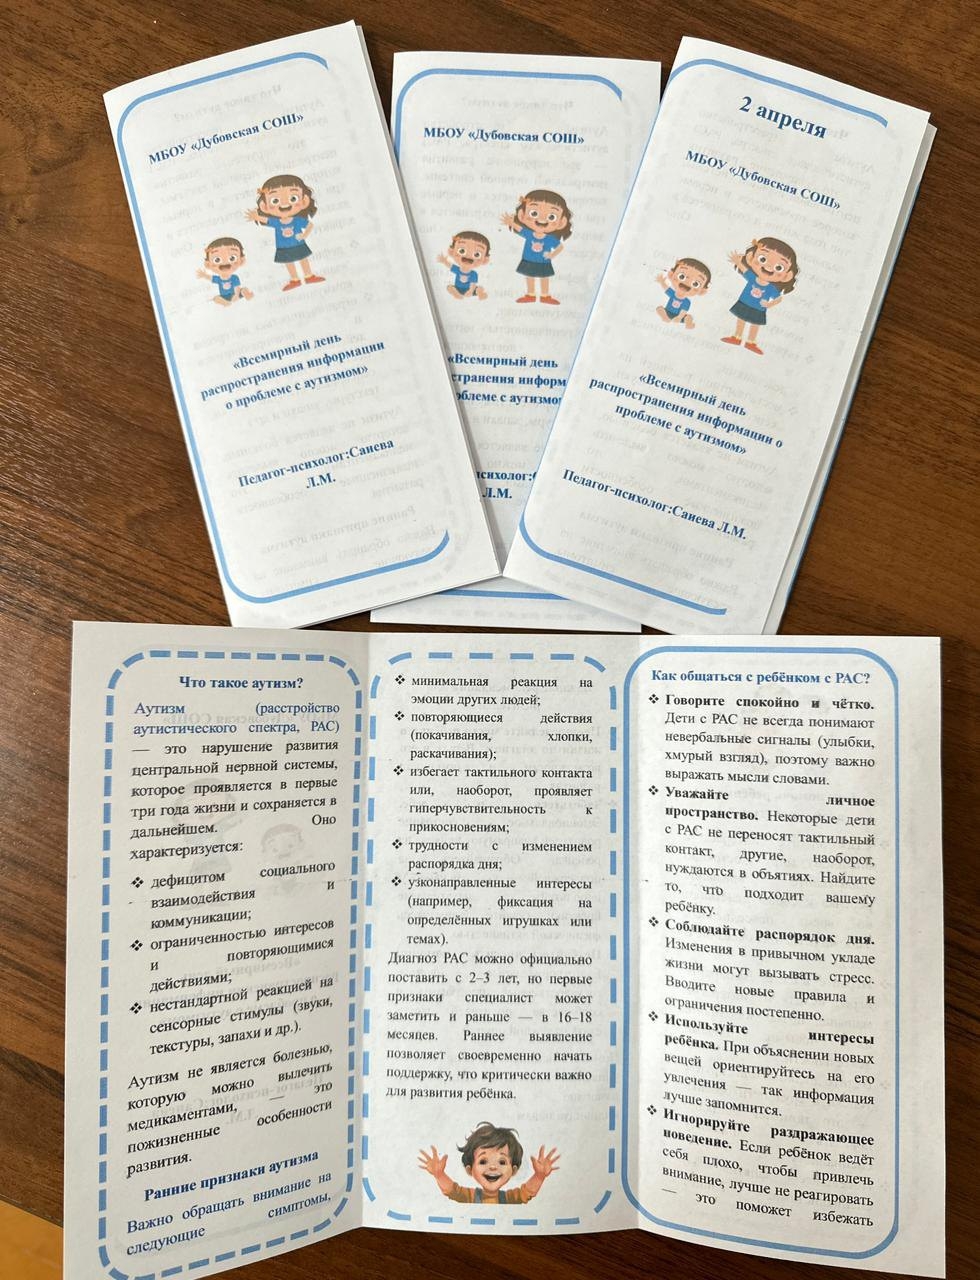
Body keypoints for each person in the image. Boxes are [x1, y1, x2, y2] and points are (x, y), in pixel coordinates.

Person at [419, 1121, 559, 1204]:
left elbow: (526, 1192)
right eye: (483, 1161)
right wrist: (439, 1175)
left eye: (502, 1162)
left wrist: (539, 1176)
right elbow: (453, 1191)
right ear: (469, 1169)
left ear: (514, 1170)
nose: (492, 1167)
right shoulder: (470, 1196)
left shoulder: (509, 1198)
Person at [246, 174, 325, 291]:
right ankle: (294, 280)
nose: (284, 205)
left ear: (304, 201)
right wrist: (256, 217)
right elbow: (266, 220)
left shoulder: (297, 220)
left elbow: (310, 225)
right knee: (289, 262)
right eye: (275, 200)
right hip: (283, 247)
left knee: (303, 259)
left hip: (298, 244)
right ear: (264, 206)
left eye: (293, 198)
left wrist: (304, 235)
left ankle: (309, 276)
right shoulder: (276, 222)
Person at [721, 236, 799, 354]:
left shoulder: (771, 288)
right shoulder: (752, 278)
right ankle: (737, 337)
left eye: (779, 267)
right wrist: (737, 262)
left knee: (755, 324)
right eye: (763, 259)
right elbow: (744, 270)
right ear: (750, 258)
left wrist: (769, 304)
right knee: (741, 320)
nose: (768, 267)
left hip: (759, 308)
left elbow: (779, 298)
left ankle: (751, 342)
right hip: (743, 303)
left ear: (787, 276)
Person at [500, 189, 573, 304]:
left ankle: (545, 296)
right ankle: (531, 295)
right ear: (522, 215)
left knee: (544, 278)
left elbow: (560, 247)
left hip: (543, 262)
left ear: (561, 222)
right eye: (534, 213)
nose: (542, 220)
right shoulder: (529, 234)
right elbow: (520, 228)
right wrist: (511, 222)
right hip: (528, 260)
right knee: (529, 277)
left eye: (552, 216)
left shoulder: (549, 239)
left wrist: (552, 255)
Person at [656, 258, 711, 328]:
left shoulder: (686, 301)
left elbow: (684, 311)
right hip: (667, 312)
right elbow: (666, 288)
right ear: (671, 275)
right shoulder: (672, 294)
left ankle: (688, 324)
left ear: (702, 291)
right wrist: (662, 282)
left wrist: (679, 317)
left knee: (689, 317)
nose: (686, 283)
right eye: (681, 276)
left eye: (695, 284)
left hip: (679, 316)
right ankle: (665, 317)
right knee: (659, 309)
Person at [196, 237, 253, 305]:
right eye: (217, 260)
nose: (225, 264)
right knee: (216, 298)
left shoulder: (234, 277)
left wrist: (236, 295)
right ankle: (226, 303)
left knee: (244, 289)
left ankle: (247, 295)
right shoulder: (218, 279)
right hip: (224, 297)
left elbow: (237, 288)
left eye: (232, 258)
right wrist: (204, 275)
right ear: (208, 264)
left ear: (241, 260)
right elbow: (210, 278)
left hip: (235, 294)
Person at [438, 231, 491, 299]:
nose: (468, 257)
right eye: (462, 251)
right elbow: (450, 266)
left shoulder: (473, 274)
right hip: (457, 288)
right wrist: (444, 261)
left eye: (477, 254)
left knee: (479, 288)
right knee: (449, 287)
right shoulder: (457, 270)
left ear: (485, 260)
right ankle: (456, 293)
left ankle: (480, 293)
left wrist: (470, 291)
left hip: (469, 290)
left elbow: (473, 284)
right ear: (451, 252)